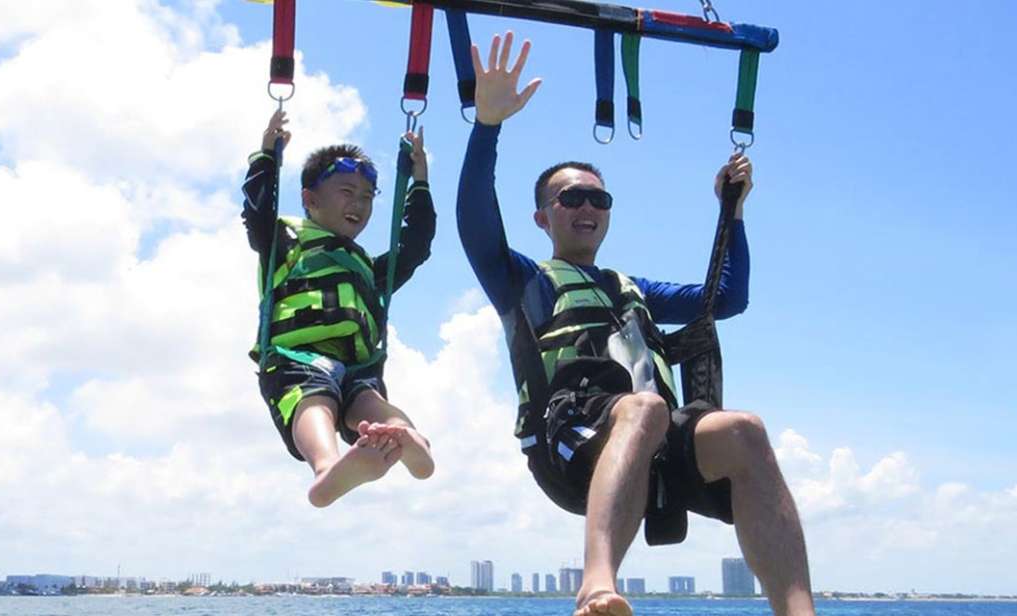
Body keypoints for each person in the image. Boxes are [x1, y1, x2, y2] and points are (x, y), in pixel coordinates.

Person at [456, 32, 816, 616]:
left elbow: (726, 299)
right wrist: (488, 125)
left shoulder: (633, 290)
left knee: (745, 429)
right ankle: (597, 587)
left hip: (655, 449)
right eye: (572, 198)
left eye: (600, 201)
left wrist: (735, 211)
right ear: (543, 217)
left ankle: (798, 611)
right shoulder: (524, 280)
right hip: (569, 444)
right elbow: (474, 222)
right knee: (642, 407)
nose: (588, 209)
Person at [242, 110, 436, 507]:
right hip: (295, 359)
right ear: (311, 200)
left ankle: (406, 438)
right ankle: (328, 467)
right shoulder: (284, 240)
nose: (359, 204)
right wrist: (266, 157)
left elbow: (414, 248)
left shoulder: (367, 270)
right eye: (346, 192)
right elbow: (257, 209)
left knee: (369, 404)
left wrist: (420, 182)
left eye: (367, 197)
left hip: (357, 368)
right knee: (314, 400)